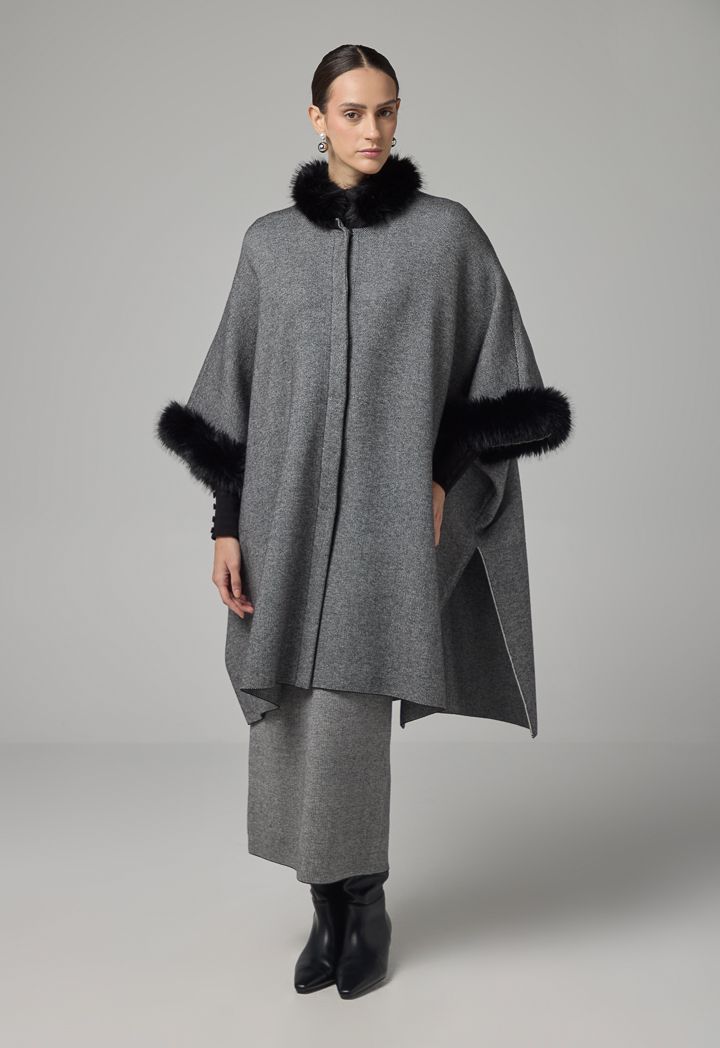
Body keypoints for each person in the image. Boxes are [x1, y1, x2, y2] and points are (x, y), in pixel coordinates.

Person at [155, 44, 573, 999]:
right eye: (352, 112)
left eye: (387, 110)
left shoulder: (445, 236)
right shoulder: (269, 246)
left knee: (347, 708)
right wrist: (226, 522)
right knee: (290, 703)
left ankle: (364, 901)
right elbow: (236, 394)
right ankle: (324, 905)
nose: (373, 129)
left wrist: (445, 470)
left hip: (387, 523)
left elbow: (500, 379)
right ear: (317, 119)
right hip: (284, 517)